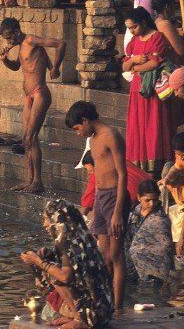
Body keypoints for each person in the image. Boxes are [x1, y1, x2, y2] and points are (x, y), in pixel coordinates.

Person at [66, 100, 128, 309]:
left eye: (77, 128)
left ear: (85, 120)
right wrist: (92, 202)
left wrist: (118, 211)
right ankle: (106, 302)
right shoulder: (92, 139)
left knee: (117, 255)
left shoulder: (111, 136)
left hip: (114, 197)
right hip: (101, 198)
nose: (78, 133)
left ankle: (118, 307)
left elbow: (122, 174)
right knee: (104, 256)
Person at [20, 199, 114, 329]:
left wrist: (38, 261)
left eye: (46, 219)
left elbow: (65, 276)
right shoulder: (79, 234)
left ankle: (79, 318)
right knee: (48, 266)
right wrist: (50, 255)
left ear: (57, 220)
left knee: (52, 273)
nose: (45, 224)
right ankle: (75, 315)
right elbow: (76, 266)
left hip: (94, 313)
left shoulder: (65, 240)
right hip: (104, 308)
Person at [0, 17, 65, 193]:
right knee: (25, 138)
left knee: (31, 137)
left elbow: (60, 43)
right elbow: (17, 67)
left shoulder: (30, 40)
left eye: (9, 37)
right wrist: (5, 60)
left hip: (40, 93)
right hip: (29, 96)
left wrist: (56, 68)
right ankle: (29, 180)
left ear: (16, 32)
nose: (8, 42)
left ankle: (38, 181)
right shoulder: (21, 47)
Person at [122, 7, 175, 174]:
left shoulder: (157, 38)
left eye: (134, 27)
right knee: (137, 128)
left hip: (153, 91)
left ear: (144, 23)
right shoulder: (133, 42)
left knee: (154, 126)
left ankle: (157, 166)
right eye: (129, 28)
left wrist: (135, 67)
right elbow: (124, 66)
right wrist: (135, 60)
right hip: (136, 91)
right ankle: (139, 167)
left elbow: (154, 63)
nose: (131, 31)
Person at [126, 179, 174, 283]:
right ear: (139, 197)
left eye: (155, 199)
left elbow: (165, 248)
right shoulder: (133, 213)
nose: (152, 204)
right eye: (147, 200)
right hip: (131, 268)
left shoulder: (160, 219)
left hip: (154, 273)